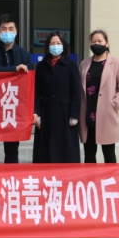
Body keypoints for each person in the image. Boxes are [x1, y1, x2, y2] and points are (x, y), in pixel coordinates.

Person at [0, 14, 32, 164]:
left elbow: (27, 83)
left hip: (13, 106)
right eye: (4, 29)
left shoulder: (24, 55)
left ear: (16, 31)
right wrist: (14, 70)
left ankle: (11, 176)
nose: (7, 32)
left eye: (11, 29)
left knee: (12, 150)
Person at [79, 30, 119, 163]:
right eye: (93, 41)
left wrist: (116, 102)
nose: (96, 44)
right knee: (89, 154)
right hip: (87, 113)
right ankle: (91, 177)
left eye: (100, 41)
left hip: (107, 113)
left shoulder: (116, 63)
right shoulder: (84, 64)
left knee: (109, 154)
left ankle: (111, 177)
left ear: (107, 43)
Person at [32, 31, 81, 163]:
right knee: (45, 147)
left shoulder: (71, 65)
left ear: (63, 45)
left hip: (65, 113)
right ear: (47, 46)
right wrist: (36, 113)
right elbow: (36, 91)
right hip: (46, 112)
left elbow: (76, 91)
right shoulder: (41, 66)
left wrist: (74, 114)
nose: (55, 45)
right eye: (52, 43)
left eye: (58, 43)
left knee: (65, 147)